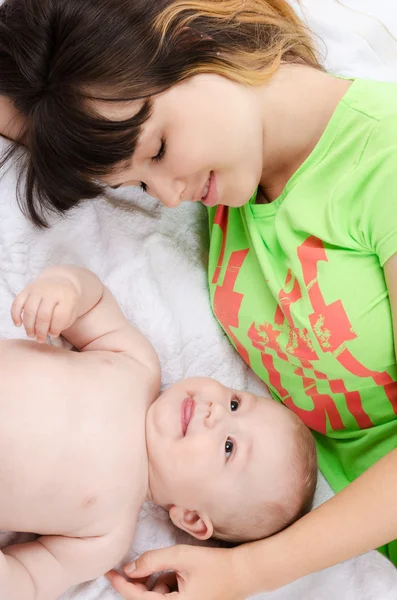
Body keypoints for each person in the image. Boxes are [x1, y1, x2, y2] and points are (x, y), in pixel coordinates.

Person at [1, 0, 397, 598]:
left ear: (193, 31)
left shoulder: (382, 162)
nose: (166, 194)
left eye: (157, 150)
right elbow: (37, 99)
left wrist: (247, 572)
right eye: (136, 183)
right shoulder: (233, 180)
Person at [0, 264, 316, 600]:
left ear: (192, 518)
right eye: (235, 403)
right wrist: (65, 288)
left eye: (228, 447)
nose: (216, 412)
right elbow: (92, 304)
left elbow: (31, 578)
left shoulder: (107, 537)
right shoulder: (138, 364)